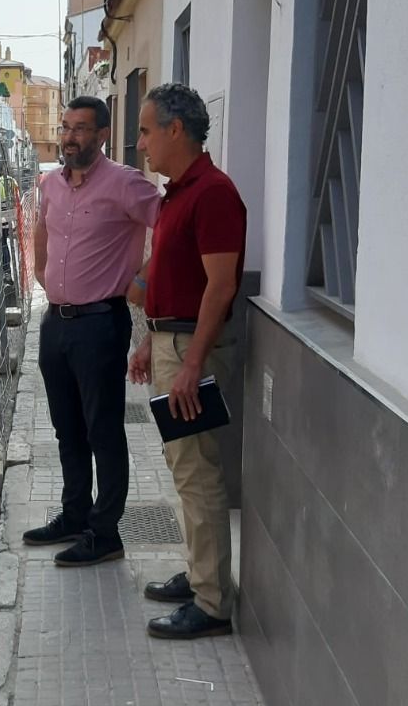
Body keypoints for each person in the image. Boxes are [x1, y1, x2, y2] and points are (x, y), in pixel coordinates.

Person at [127, 83, 246, 639]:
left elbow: (220, 288)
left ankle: (212, 601)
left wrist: (193, 362)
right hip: (171, 344)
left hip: (191, 354)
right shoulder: (178, 193)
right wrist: (151, 338)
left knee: (198, 476)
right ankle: (203, 574)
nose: (141, 142)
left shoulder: (214, 193)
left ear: (177, 130)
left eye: (147, 130)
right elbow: (175, 280)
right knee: (185, 470)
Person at [22, 96, 161, 565]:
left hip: (101, 323)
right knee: (67, 428)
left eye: (80, 129)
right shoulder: (51, 184)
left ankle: (106, 534)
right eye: (65, 127)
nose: (69, 137)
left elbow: (170, 228)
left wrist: (142, 278)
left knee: (103, 430)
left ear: (101, 134)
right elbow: (42, 229)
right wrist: (44, 275)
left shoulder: (126, 184)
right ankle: (75, 514)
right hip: (56, 323)